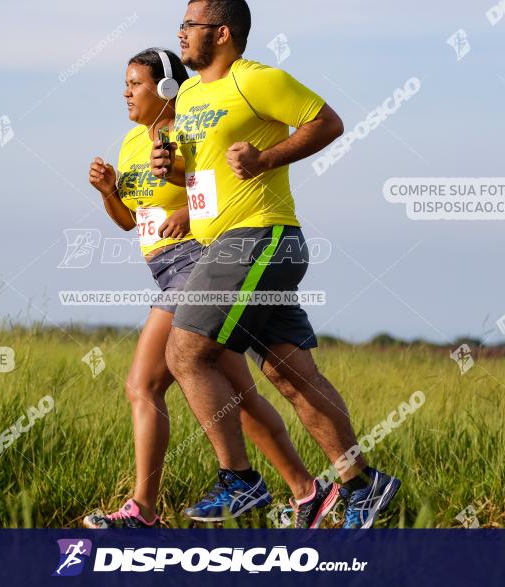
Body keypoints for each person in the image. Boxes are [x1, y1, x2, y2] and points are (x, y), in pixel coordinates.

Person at [151, 0, 401, 529]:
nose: (180, 32)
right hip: (230, 245)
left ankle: (239, 481)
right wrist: (170, 167)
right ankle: (362, 484)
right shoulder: (191, 94)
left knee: (187, 351)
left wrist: (265, 159)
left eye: (189, 24)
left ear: (221, 33)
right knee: (290, 376)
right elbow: (199, 174)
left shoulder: (256, 80)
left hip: (260, 238)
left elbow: (327, 123)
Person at [84, 48, 332, 528]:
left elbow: (216, 190)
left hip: (196, 264)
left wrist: (188, 214)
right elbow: (130, 222)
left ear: (165, 89)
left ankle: (144, 509)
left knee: (144, 384)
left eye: (134, 83)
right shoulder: (133, 143)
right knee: (237, 397)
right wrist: (109, 192)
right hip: (164, 268)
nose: (125, 92)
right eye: (125, 83)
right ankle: (307, 492)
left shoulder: (191, 131)